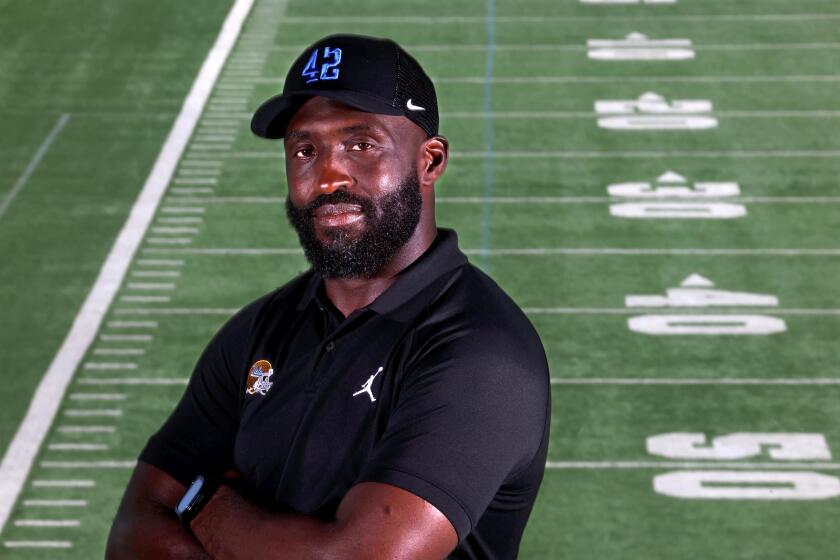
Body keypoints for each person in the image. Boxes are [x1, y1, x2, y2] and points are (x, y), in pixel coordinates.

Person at [107, 34, 550, 560]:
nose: (328, 176)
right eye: (304, 149)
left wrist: (207, 504)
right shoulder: (260, 329)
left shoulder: (479, 351)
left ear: (430, 162)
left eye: (361, 145)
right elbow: (134, 531)